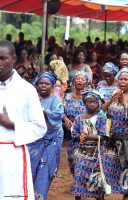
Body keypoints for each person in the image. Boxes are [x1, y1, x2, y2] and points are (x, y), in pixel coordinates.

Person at [0, 40, 47, 199]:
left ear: (14, 59)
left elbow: (40, 127)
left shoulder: (26, 90)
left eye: (3, 58)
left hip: (13, 155)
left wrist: (11, 124)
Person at [101, 68, 128, 200]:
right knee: (108, 164)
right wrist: (111, 101)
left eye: (126, 79)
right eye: (120, 79)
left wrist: (123, 103)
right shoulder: (114, 94)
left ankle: (126, 194)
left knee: (127, 167)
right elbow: (102, 111)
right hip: (113, 138)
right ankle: (105, 191)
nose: (122, 81)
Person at [28, 72, 64, 200]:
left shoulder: (55, 100)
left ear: (52, 86)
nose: (43, 86)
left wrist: (42, 111)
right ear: (37, 85)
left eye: (47, 84)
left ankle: (40, 197)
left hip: (51, 140)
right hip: (34, 140)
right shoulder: (32, 98)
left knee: (44, 171)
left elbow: (57, 115)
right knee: (28, 170)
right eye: (41, 83)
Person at [72, 90, 107, 200]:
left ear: (99, 103)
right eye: (89, 102)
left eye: (94, 102)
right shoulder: (79, 118)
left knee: (96, 178)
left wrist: (89, 137)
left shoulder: (102, 118)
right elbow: (74, 134)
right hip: (82, 153)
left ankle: (99, 197)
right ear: (84, 103)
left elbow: (105, 136)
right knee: (79, 177)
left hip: (98, 155)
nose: (91, 104)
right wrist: (80, 137)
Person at [64, 72, 89, 175]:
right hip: (71, 133)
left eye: (83, 79)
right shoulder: (68, 96)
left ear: (87, 82)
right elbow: (62, 111)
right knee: (71, 158)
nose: (80, 81)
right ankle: (76, 180)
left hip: (85, 132)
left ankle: (81, 182)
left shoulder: (89, 96)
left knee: (83, 157)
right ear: (73, 81)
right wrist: (66, 119)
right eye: (78, 78)